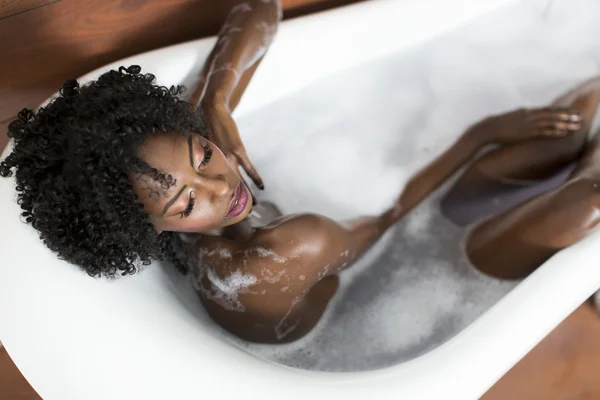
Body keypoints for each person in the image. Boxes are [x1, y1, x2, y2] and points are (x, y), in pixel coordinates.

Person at [2, 0, 600, 343]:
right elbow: (392, 222)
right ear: (145, 232)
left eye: (203, 156)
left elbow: (259, 8)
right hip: (405, 277)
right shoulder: (277, 254)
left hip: (367, 251)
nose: (220, 186)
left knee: (569, 126)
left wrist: (216, 101)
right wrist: (479, 135)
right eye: (187, 205)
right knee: (588, 196)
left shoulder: (165, 172)